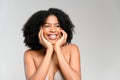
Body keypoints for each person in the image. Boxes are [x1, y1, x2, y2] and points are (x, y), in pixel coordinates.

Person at [22, 8, 81, 80]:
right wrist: (49, 50)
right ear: (38, 29)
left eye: (57, 25)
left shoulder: (72, 49)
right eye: (47, 26)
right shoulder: (30, 55)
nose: (53, 30)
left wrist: (57, 49)